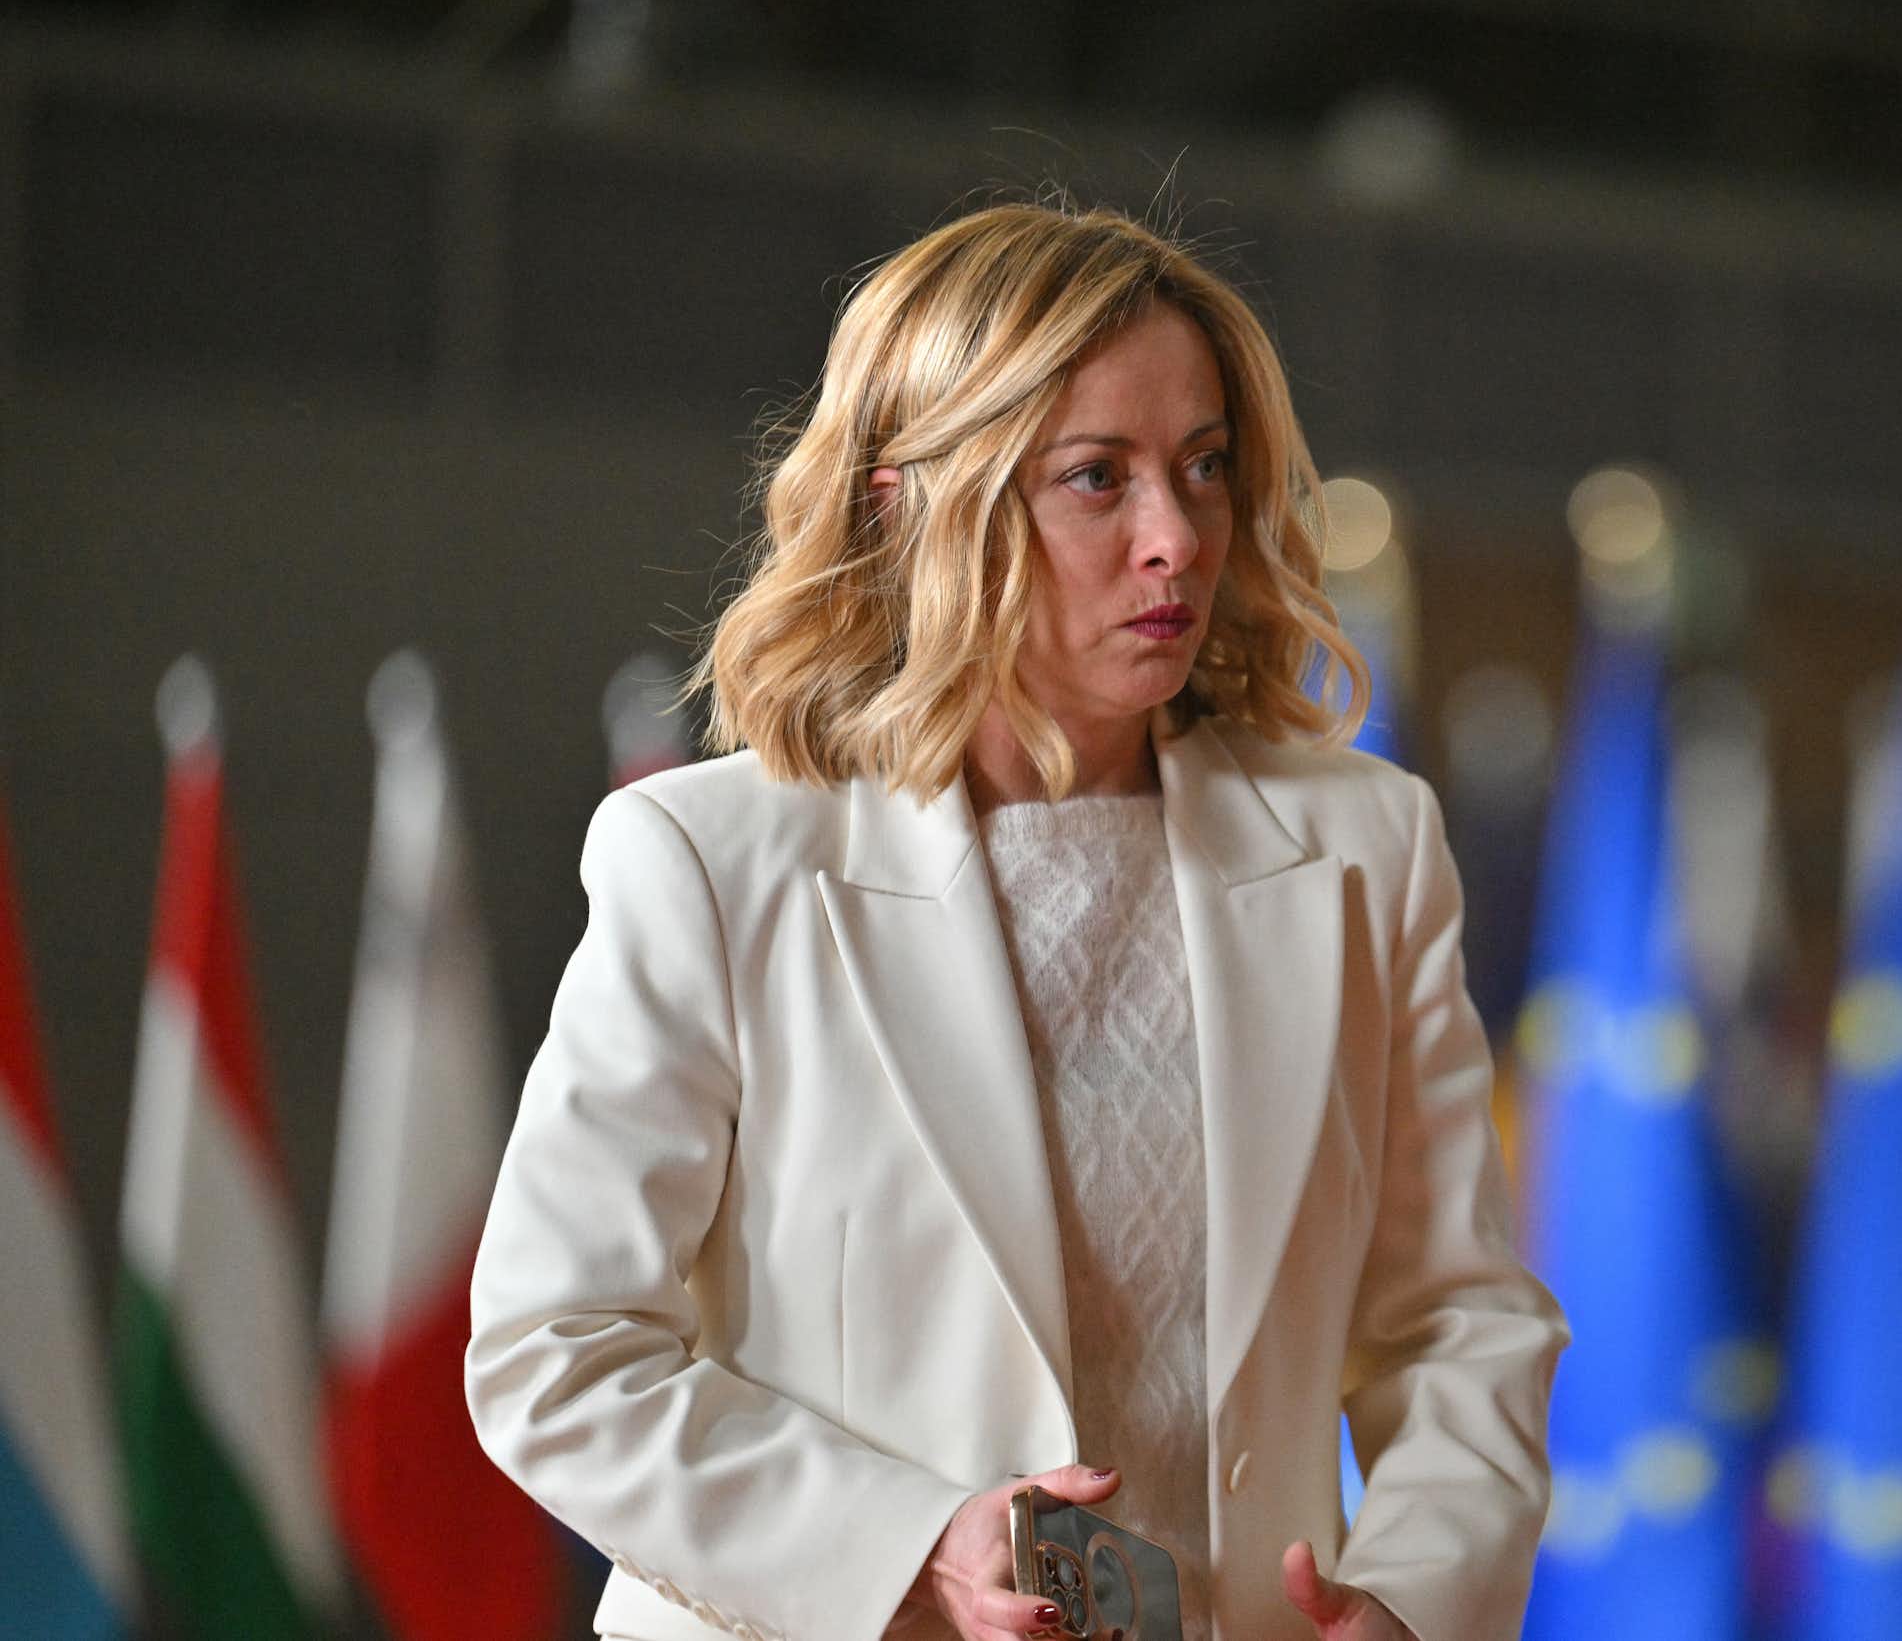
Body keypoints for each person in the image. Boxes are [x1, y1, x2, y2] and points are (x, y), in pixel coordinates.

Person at [465, 202, 1567, 1641]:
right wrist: (904, 1547)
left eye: (1206, 468)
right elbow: (556, 1354)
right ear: (912, 500)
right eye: (1096, 479)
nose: (1175, 538)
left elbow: (1459, 1322)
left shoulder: (1367, 846)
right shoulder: (707, 861)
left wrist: (1416, 1604)